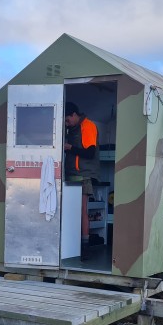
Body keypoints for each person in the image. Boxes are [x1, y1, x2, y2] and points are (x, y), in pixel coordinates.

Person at [63, 101, 99, 260]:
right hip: (70, 174)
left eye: (67, 119)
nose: (66, 123)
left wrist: (69, 148)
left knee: (81, 209)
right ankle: (70, 245)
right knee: (71, 210)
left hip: (83, 175)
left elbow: (90, 153)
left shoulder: (88, 126)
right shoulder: (72, 129)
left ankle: (84, 247)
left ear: (74, 115)